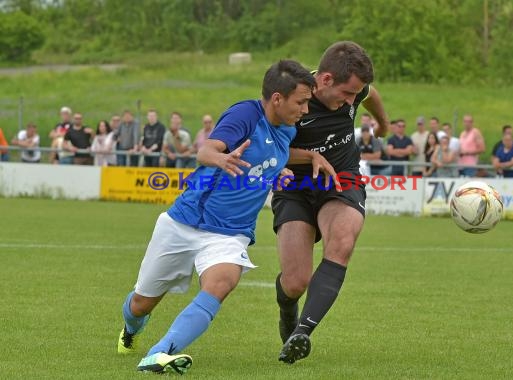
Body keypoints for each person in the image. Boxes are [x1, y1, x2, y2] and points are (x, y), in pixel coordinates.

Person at [117, 60, 315, 375]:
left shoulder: (287, 128)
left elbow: (274, 154)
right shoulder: (245, 114)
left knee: (224, 281)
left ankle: (158, 354)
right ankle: (130, 330)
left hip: (229, 233)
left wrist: (301, 161)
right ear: (277, 98)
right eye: (301, 101)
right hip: (185, 223)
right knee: (141, 304)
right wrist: (220, 158)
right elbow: (205, 151)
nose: (305, 109)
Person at [271, 41, 389, 365]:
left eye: (356, 95)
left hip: (341, 179)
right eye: (348, 94)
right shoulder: (290, 99)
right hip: (295, 185)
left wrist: (383, 124)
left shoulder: (356, 91)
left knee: (343, 241)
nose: (353, 101)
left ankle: (302, 333)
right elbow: (267, 150)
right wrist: (309, 156)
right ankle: (288, 311)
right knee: (295, 282)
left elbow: (371, 94)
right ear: (324, 81)